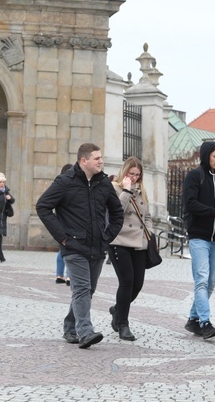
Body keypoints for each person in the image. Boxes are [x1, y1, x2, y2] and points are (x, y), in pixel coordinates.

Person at [36, 143, 124, 349]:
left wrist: (107, 236)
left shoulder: (104, 183)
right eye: (97, 158)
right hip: (74, 247)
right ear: (83, 161)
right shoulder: (65, 181)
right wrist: (63, 237)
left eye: (101, 157)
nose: (101, 161)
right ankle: (85, 331)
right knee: (82, 288)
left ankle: (70, 325)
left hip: (97, 246)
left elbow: (117, 212)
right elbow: (43, 206)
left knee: (87, 290)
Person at [182, 142, 215, 340]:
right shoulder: (194, 176)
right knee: (201, 279)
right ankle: (205, 322)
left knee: (211, 282)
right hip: (199, 237)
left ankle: (192, 319)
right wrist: (214, 212)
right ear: (206, 156)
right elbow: (190, 203)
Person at [108, 157, 151, 341]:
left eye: (137, 175)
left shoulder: (142, 191)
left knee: (138, 284)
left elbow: (147, 215)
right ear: (124, 173)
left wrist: (149, 231)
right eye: (131, 174)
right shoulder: (114, 188)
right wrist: (126, 190)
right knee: (127, 281)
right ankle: (122, 324)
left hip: (139, 243)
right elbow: (116, 211)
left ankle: (117, 309)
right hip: (120, 240)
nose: (134, 178)